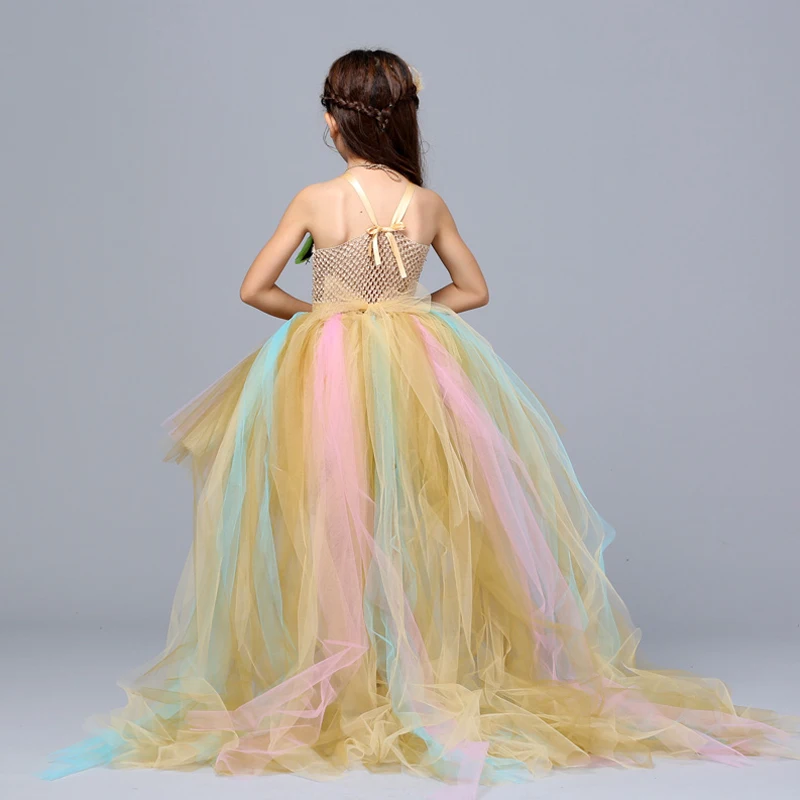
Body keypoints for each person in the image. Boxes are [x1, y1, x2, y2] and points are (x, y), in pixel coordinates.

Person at [41, 48, 799, 797]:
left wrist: (321, 315)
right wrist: (410, 312)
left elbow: (253, 289)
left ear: (334, 122)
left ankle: (339, 677)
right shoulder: (425, 205)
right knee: (422, 518)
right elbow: (473, 289)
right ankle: (419, 671)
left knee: (335, 517)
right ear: (403, 119)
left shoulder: (315, 200)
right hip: (418, 370)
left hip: (326, 372)